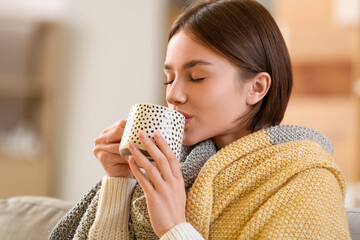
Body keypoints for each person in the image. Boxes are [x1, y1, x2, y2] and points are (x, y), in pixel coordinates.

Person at [50, 0, 351, 239]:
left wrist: (174, 228)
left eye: (197, 77)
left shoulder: (306, 179)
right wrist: (119, 181)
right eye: (169, 79)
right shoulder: (180, 171)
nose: (174, 95)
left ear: (256, 88)